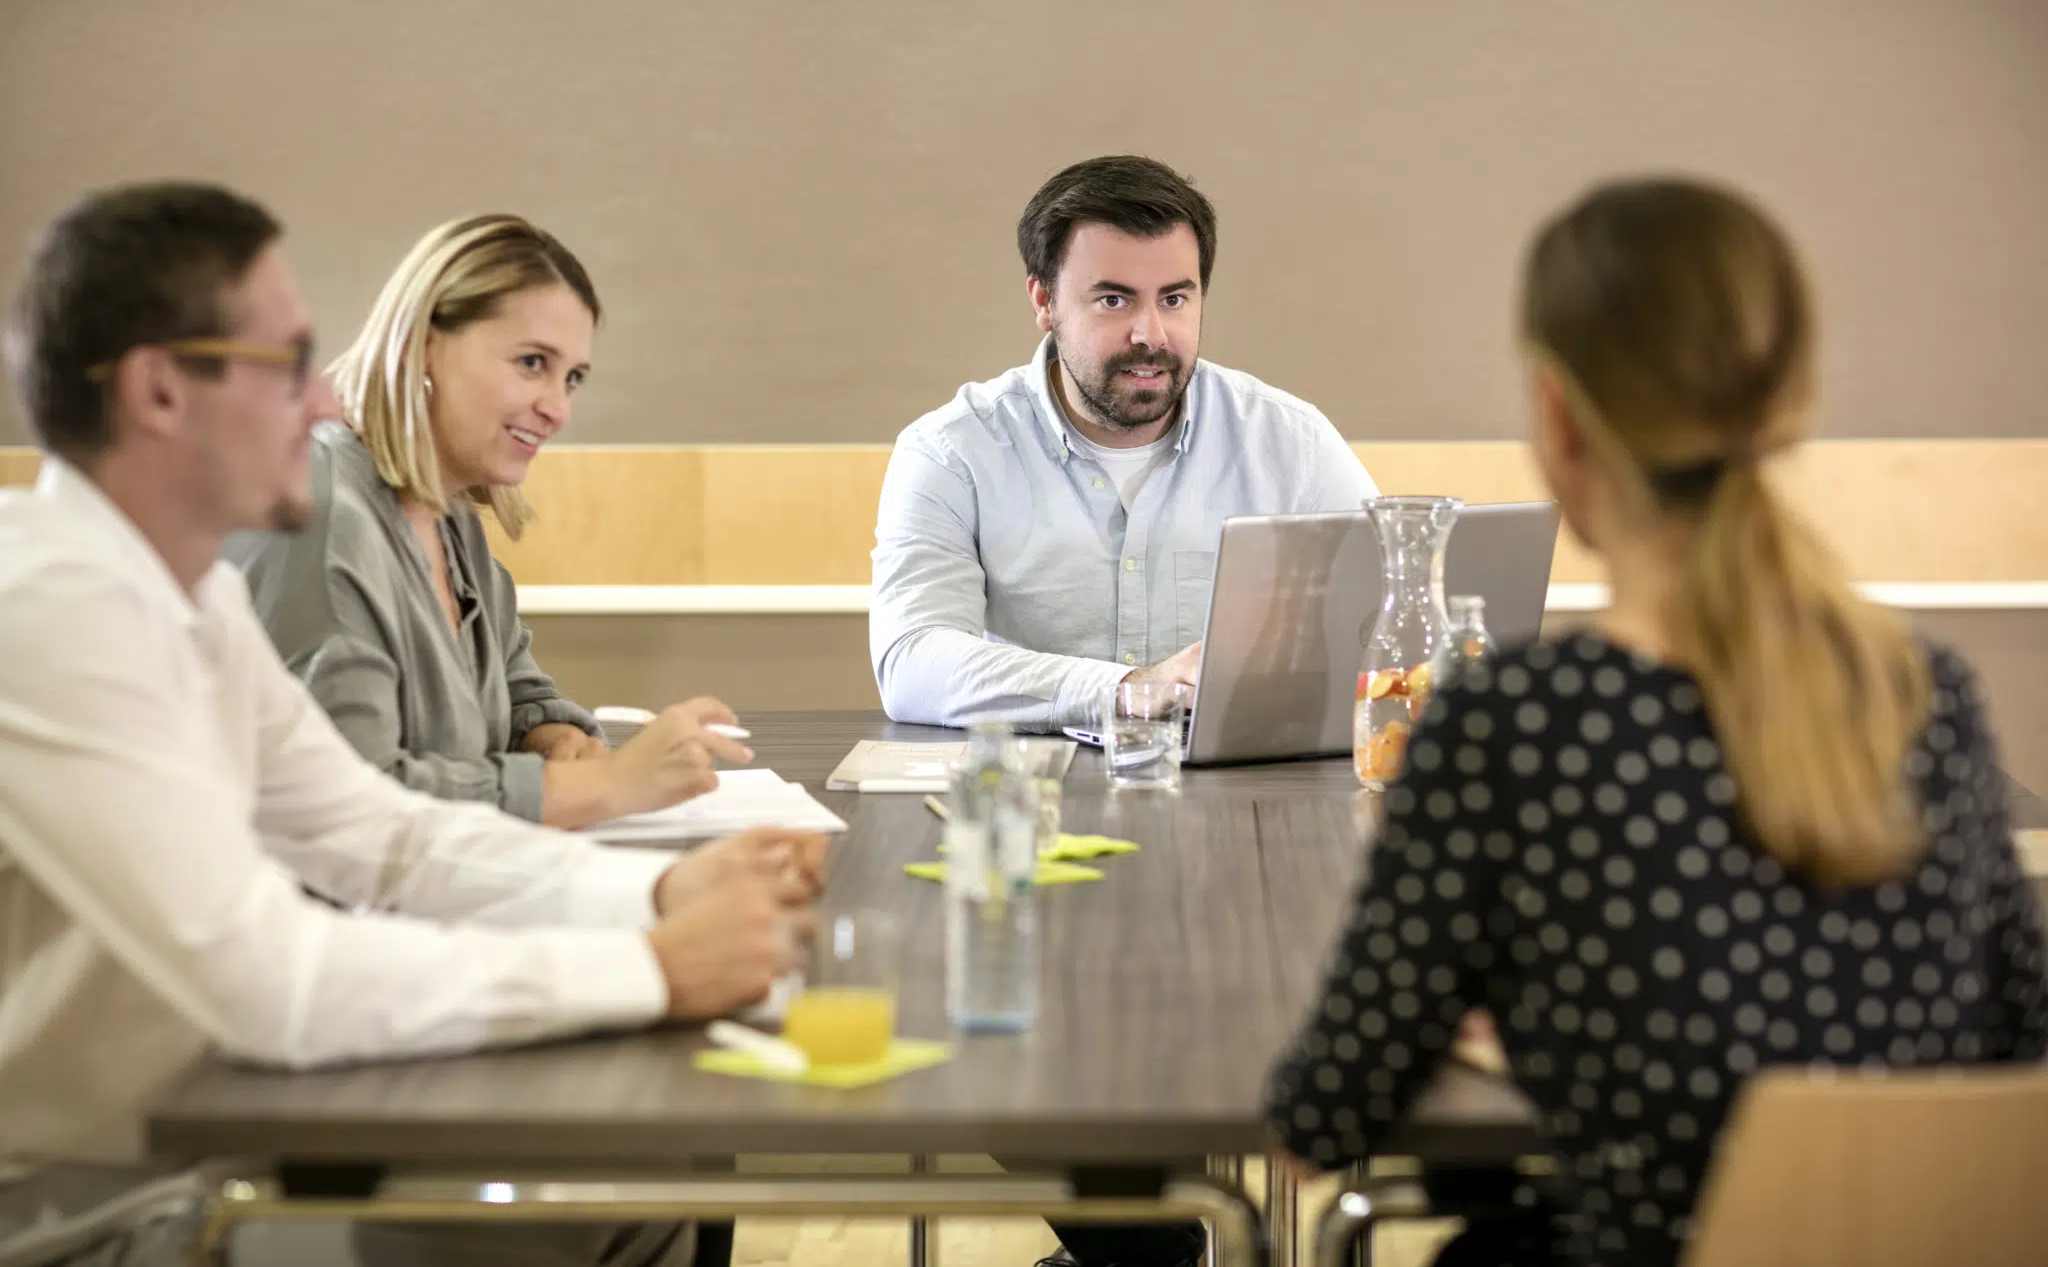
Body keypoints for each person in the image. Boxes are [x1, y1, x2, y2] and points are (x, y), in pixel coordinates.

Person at [0, 182, 827, 1267]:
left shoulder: (185, 592)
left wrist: (657, 891)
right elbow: (272, 982)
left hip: (222, 1138)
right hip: (102, 1209)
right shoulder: (50, 605)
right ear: (159, 392)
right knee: (579, 1212)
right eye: (287, 366)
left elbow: (379, 834)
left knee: (654, 1182)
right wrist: (652, 967)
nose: (322, 400)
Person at [1264, 177, 2048, 1266]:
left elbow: (1326, 1115)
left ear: (1555, 417)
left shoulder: (1514, 723)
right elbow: (2015, 1034)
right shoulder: (1926, 694)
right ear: (1783, 401)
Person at [228, 214, 740, 831]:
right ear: (423, 346)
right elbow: (347, 803)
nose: (557, 408)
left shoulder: (451, 518)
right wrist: (601, 786)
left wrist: (548, 734)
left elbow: (515, 686)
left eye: (572, 377)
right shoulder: (322, 515)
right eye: (531, 363)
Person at [870, 154, 1379, 733]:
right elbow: (911, 662)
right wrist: (1126, 690)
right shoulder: (952, 452)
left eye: (1174, 299)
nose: (1151, 336)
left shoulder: (1291, 441)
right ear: (1044, 301)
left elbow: (1387, 619)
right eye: (1114, 300)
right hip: (1036, 796)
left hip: (1241, 797)